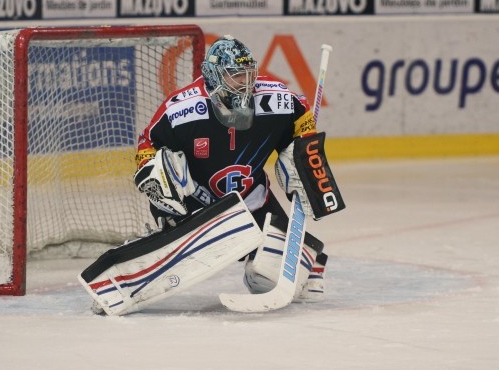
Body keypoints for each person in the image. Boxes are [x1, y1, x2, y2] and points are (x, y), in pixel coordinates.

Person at [132, 35, 344, 302]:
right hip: (196, 205)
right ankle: (157, 246)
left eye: (248, 74)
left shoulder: (274, 100)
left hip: (252, 202)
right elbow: (147, 142)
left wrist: (303, 146)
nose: (246, 83)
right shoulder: (183, 109)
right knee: (169, 175)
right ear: (213, 75)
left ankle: (308, 263)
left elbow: (300, 109)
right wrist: (155, 175)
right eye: (235, 75)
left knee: (268, 277)